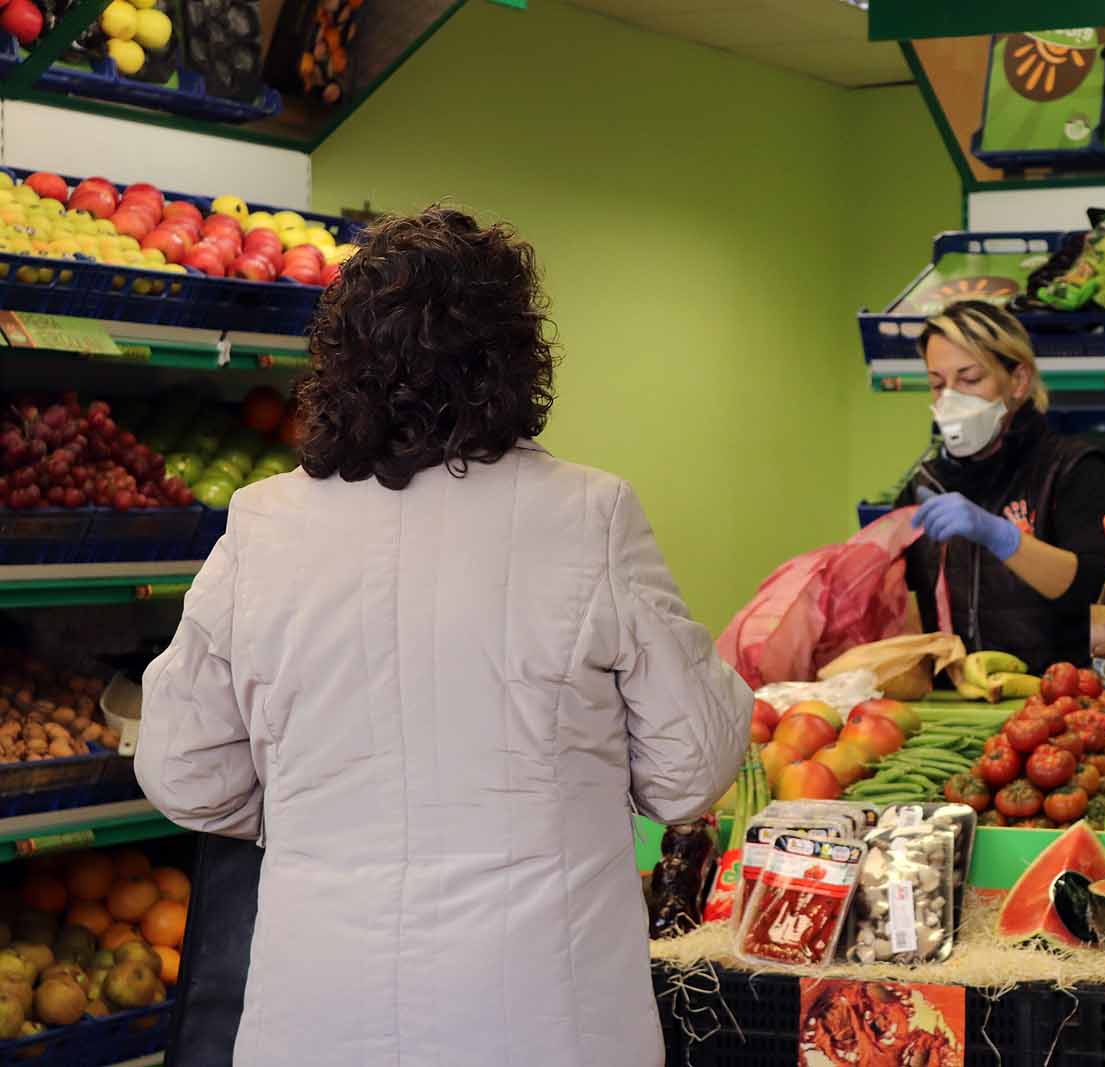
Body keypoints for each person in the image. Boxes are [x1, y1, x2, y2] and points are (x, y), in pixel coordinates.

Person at [134, 206, 751, 1067]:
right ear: (513, 360)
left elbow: (182, 771)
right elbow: (690, 770)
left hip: (317, 1014)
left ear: (339, 362)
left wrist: (319, 812)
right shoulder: (590, 515)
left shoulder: (263, 524)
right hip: (543, 1017)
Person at [897, 300, 1105, 673]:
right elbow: (904, 610)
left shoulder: (1073, 469)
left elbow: (1101, 592)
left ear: (1018, 381)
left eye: (970, 380)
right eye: (938, 384)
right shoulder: (924, 486)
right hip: (956, 698)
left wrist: (1004, 538)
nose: (950, 398)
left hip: (1062, 701)